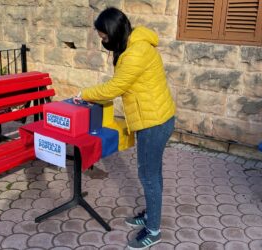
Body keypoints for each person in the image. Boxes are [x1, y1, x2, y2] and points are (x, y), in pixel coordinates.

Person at [74, 7, 176, 249]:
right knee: (154, 173)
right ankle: (152, 214)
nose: (104, 42)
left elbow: (114, 88)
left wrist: (84, 94)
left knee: (148, 176)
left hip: (153, 123)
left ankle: (153, 231)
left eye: (104, 37)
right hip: (158, 117)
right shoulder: (137, 42)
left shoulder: (134, 54)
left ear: (114, 32)